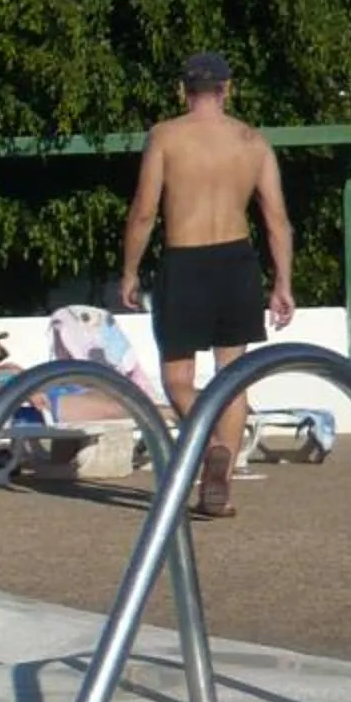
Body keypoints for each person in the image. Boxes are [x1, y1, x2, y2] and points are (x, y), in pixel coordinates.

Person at [119, 51, 295, 518]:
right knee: (232, 380)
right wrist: (283, 283)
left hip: (185, 260)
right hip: (237, 261)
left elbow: (143, 211)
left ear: (183, 91)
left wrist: (130, 271)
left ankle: (211, 446)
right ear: (227, 89)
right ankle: (222, 483)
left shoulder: (166, 136)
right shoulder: (252, 142)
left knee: (178, 379)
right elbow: (276, 219)